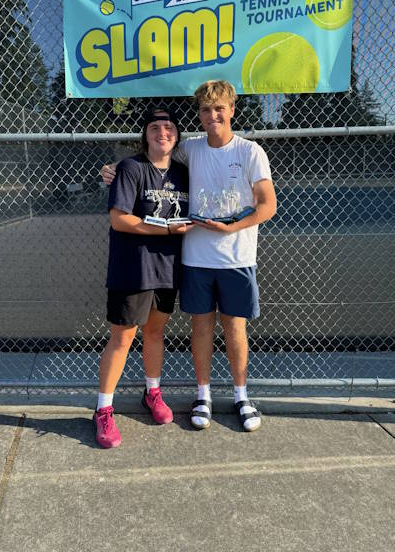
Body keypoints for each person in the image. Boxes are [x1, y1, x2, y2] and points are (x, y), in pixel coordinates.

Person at [101, 81, 276, 432]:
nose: (213, 115)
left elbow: (268, 205)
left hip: (236, 258)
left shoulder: (250, 151)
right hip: (194, 259)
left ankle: (241, 396)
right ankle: (203, 395)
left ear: (231, 111)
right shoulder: (190, 150)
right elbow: (153, 156)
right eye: (206, 110)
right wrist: (116, 168)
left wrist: (232, 228)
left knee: (235, 327)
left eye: (219, 109)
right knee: (201, 327)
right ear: (199, 115)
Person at [94, 107, 191, 448]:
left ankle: (152, 392)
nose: (162, 132)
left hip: (167, 269)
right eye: (154, 127)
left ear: (177, 134)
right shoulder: (131, 168)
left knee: (155, 332)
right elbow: (119, 219)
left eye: (168, 127)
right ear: (145, 134)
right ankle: (103, 409)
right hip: (132, 269)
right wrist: (166, 229)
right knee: (122, 339)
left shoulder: (183, 172)